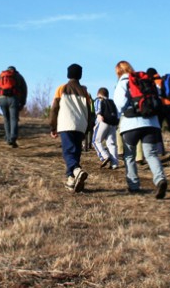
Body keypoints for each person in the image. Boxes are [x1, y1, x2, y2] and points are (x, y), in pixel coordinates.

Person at [114, 60, 168, 198]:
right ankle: (160, 179)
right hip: (151, 122)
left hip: (130, 124)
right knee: (151, 154)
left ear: (118, 72)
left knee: (129, 156)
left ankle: (133, 185)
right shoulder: (144, 80)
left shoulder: (123, 82)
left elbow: (119, 105)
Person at [49, 64, 95, 192]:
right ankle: (71, 180)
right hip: (81, 126)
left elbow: (54, 109)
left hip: (66, 124)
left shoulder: (61, 88)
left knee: (68, 151)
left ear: (68, 74)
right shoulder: (85, 92)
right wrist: (88, 129)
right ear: (80, 75)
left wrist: (53, 127)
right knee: (75, 152)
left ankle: (76, 170)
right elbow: (91, 113)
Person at [0, 65, 27, 147]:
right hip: (13, 99)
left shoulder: (1, 75)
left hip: (2, 99)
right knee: (13, 118)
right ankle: (13, 138)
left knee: (6, 119)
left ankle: (8, 138)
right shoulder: (18, 76)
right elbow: (24, 90)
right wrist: (23, 102)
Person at [92, 87, 119, 169]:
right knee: (111, 143)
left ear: (99, 94)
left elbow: (97, 110)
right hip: (113, 124)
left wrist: (99, 115)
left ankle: (104, 156)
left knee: (96, 141)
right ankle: (114, 163)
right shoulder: (112, 102)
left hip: (103, 122)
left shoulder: (98, 99)